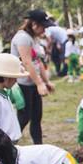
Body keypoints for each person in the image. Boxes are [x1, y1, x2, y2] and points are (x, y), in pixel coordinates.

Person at [11, 9, 54, 144]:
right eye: (43, 27)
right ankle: (8, 145)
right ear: (34, 24)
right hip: (23, 84)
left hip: (33, 84)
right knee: (24, 117)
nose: (44, 31)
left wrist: (46, 81)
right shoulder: (23, 37)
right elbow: (27, 61)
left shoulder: (33, 39)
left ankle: (39, 147)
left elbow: (38, 62)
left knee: (36, 117)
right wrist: (39, 83)